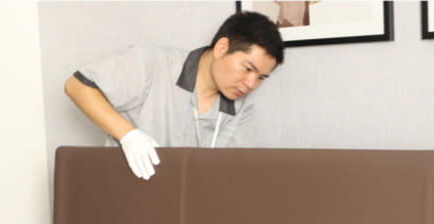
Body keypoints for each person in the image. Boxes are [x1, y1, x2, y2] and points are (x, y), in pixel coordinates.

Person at [64, 11, 284, 180]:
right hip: (128, 196)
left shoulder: (242, 108)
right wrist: (128, 135)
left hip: (191, 206)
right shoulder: (155, 63)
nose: (251, 84)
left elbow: (235, 170)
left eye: (261, 78)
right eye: (248, 68)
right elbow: (77, 86)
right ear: (221, 48)